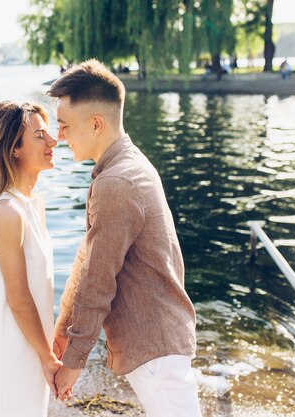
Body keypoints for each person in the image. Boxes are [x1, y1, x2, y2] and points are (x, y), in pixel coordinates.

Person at [48, 59, 201, 417]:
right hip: (159, 341)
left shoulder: (116, 183)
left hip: (155, 347)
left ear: (96, 123)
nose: (60, 136)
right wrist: (63, 331)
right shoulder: (123, 168)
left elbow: (98, 281)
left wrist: (73, 362)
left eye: (65, 126)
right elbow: (88, 259)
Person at [0, 101, 61, 417]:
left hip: (27, 348)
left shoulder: (28, 206)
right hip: (7, 356)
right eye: (39, 135)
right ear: (13, 150)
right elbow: (18, 298)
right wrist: (48, 358)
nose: (52, 141)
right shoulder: (7, 213)